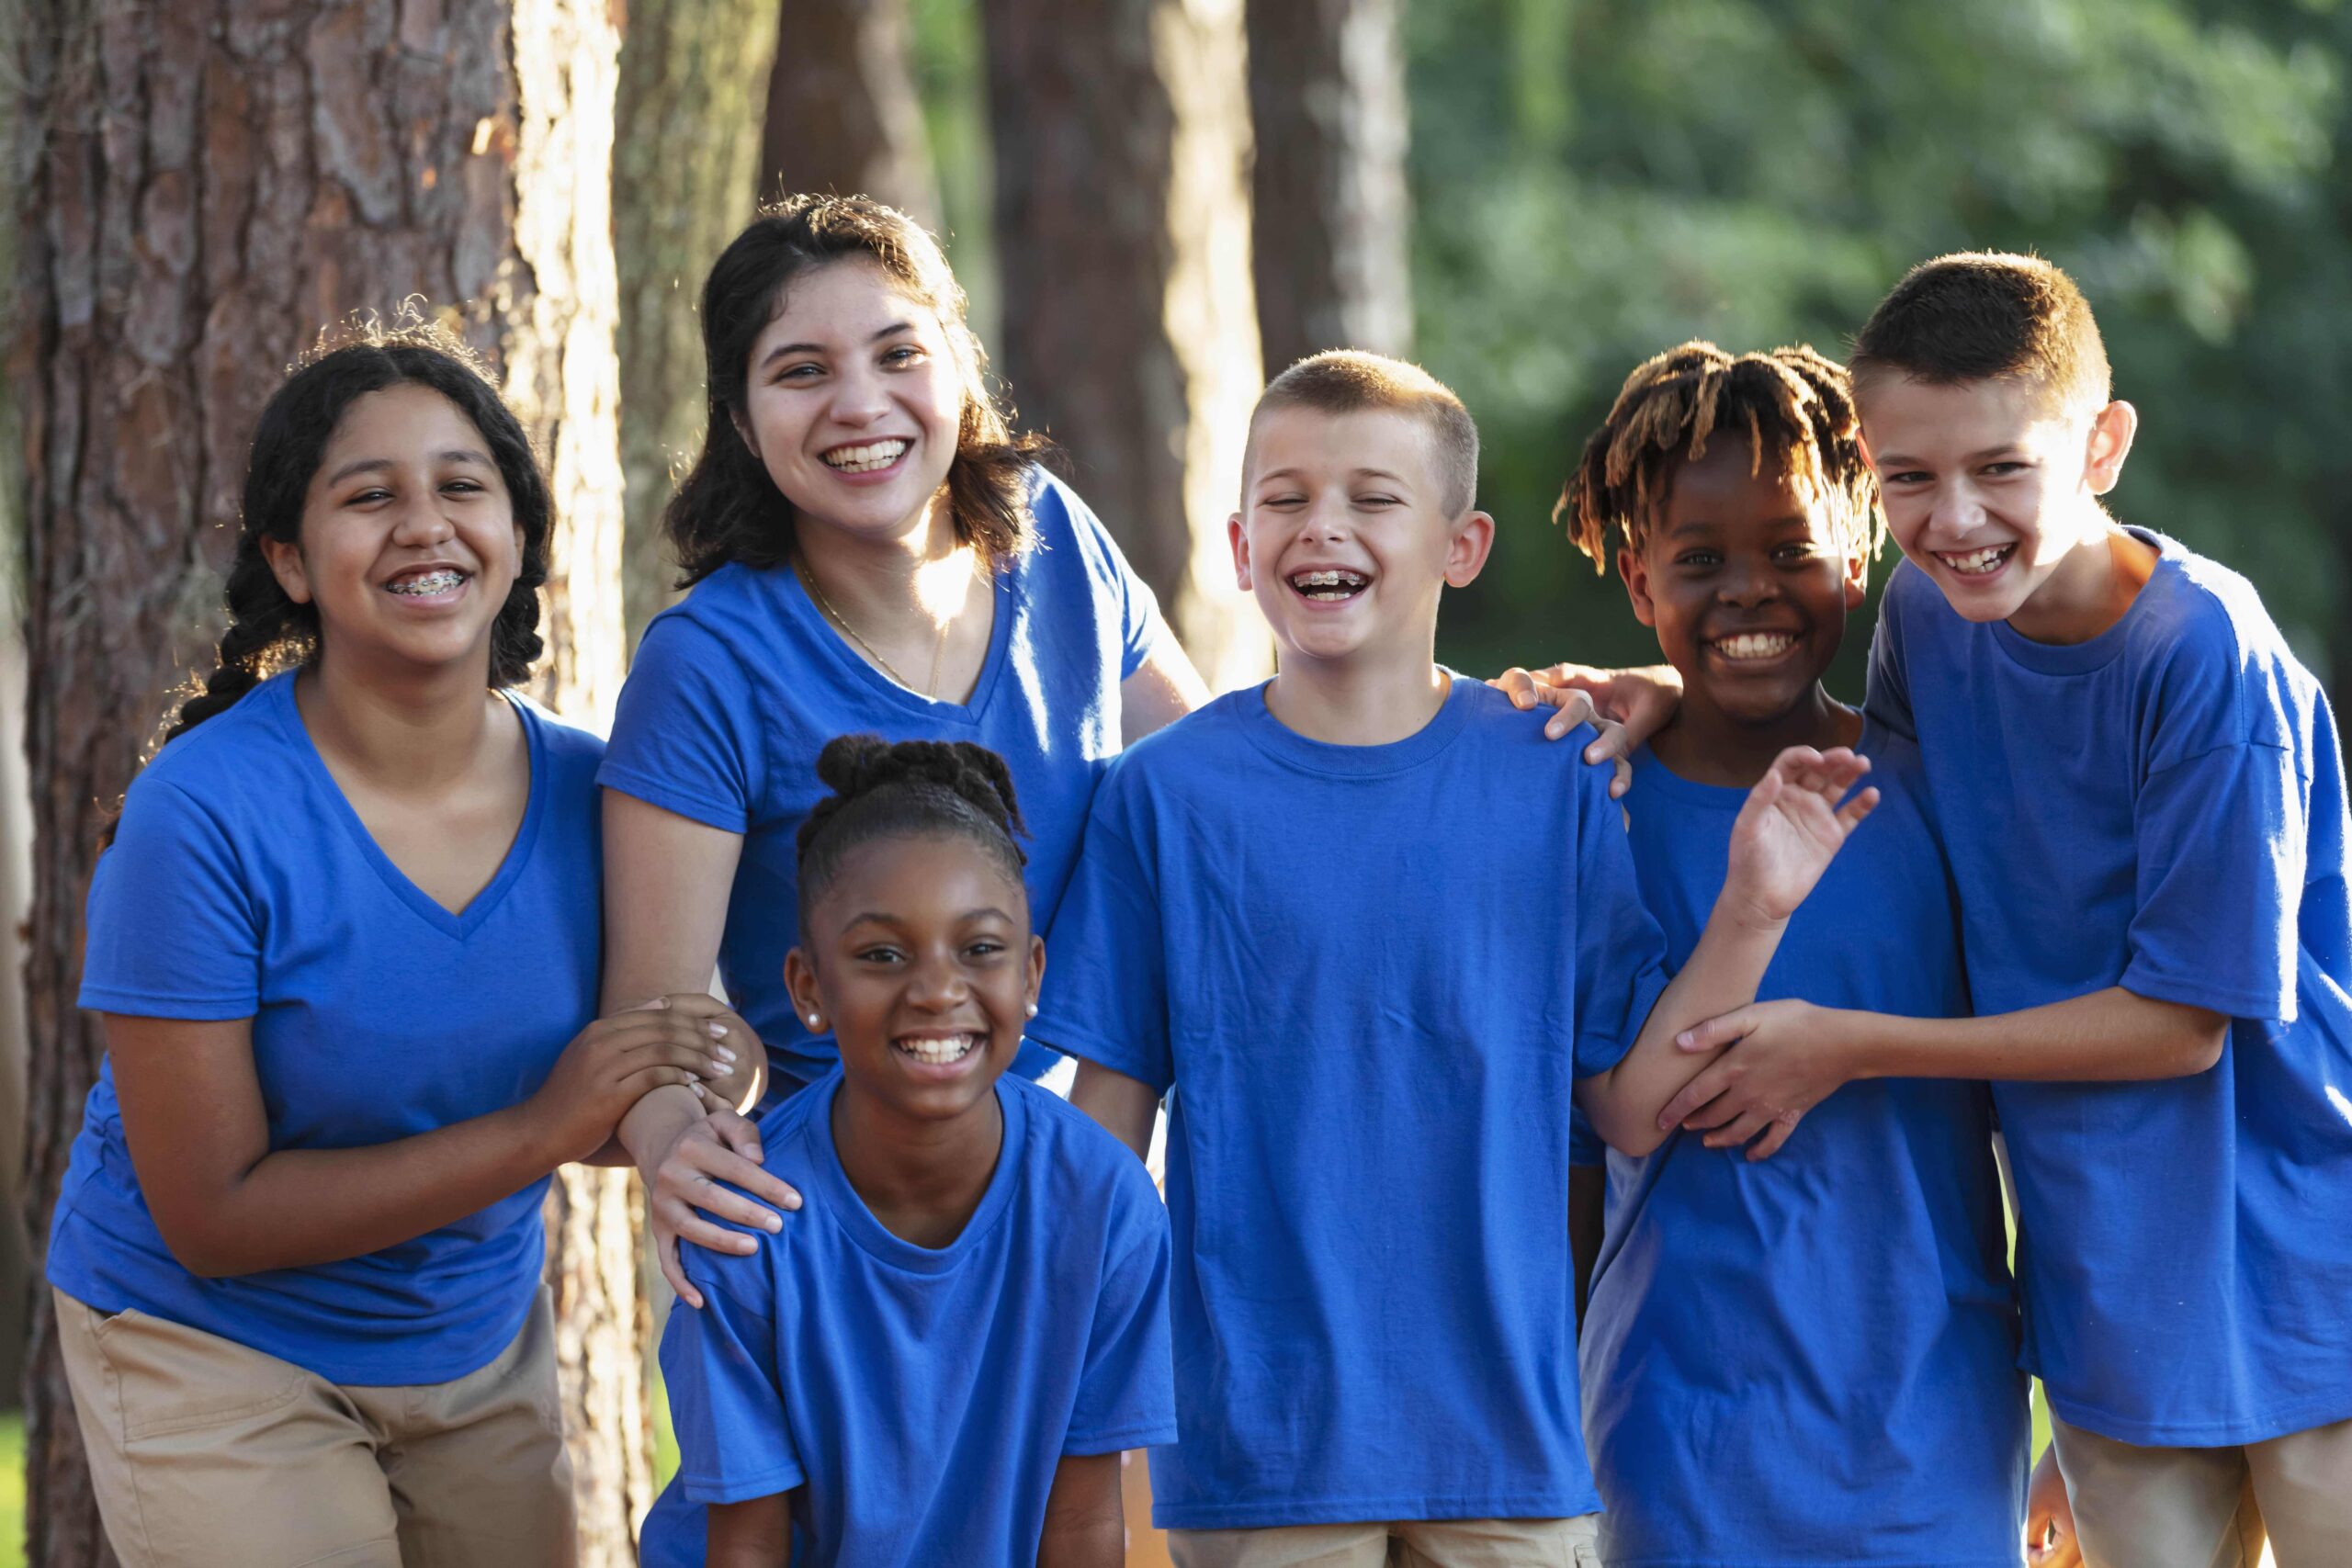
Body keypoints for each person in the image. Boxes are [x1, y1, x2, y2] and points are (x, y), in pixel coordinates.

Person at [1532, 254, 2352, 1568]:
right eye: (1910, 475)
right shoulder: (1931, 614)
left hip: (2304, 1279)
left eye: (1999, 469)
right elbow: (1841, 771)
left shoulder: (2205, 656)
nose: (1955, 516)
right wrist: (1658, 689)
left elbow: (2186, 1022)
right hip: (2106, 1322)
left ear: (2103, 444)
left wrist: (1850, 1040)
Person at [1034, 350, 1877, 1567]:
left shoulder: (1555, 773)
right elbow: (1106, 1122)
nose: (1324, 525)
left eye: (1374, 496)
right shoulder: (1164, 797)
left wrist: (1755, 902)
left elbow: (1634, 1106)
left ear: (1460, 544)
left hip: (1510, 1447)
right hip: (1260, 1450)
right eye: (1286, 497)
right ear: (1237, 544)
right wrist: (1071, 1394)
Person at [46, 326, 734, 1568]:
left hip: (468, 1339)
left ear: (517, 537)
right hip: (213, 1332)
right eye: (370, 496)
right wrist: (543, 1127)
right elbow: (213, 1212)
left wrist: (697, 1094)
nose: (425, 522)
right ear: (291, 560)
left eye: (462, 486)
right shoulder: (200, 816)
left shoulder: (599, 796)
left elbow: (640, 1080)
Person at [596, 195, 1212, 1306]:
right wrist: (674, 1143)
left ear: (960, 370)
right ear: (738, 419)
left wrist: (1489, 710)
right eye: (800, 372)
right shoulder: (706, 663)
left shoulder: (1054, 538)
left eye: (898, 353)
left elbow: (1222, 796)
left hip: (1088, 1167)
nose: (859, 404)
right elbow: (652, 1019)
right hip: (844, 1206)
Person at [1560, 341, 2028, 1564]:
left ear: (1861, 553)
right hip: (1682, 1433)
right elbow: (1591, 1130)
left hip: (1935, 1420)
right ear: (1634, 574)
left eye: (1790, 550)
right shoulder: (1591, 800)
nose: (1748, 591)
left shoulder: (1936, 787)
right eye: (1698, 559)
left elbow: (2035, 1106)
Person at [638, 736, 1175, 1568]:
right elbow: (746, 1548)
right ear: (808, 989)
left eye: (981, 949)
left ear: (1032, 975)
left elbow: (1080, 1525)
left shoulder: (1103, 1205)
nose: (935, 988)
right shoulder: (743, 1222)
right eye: (883, 954)